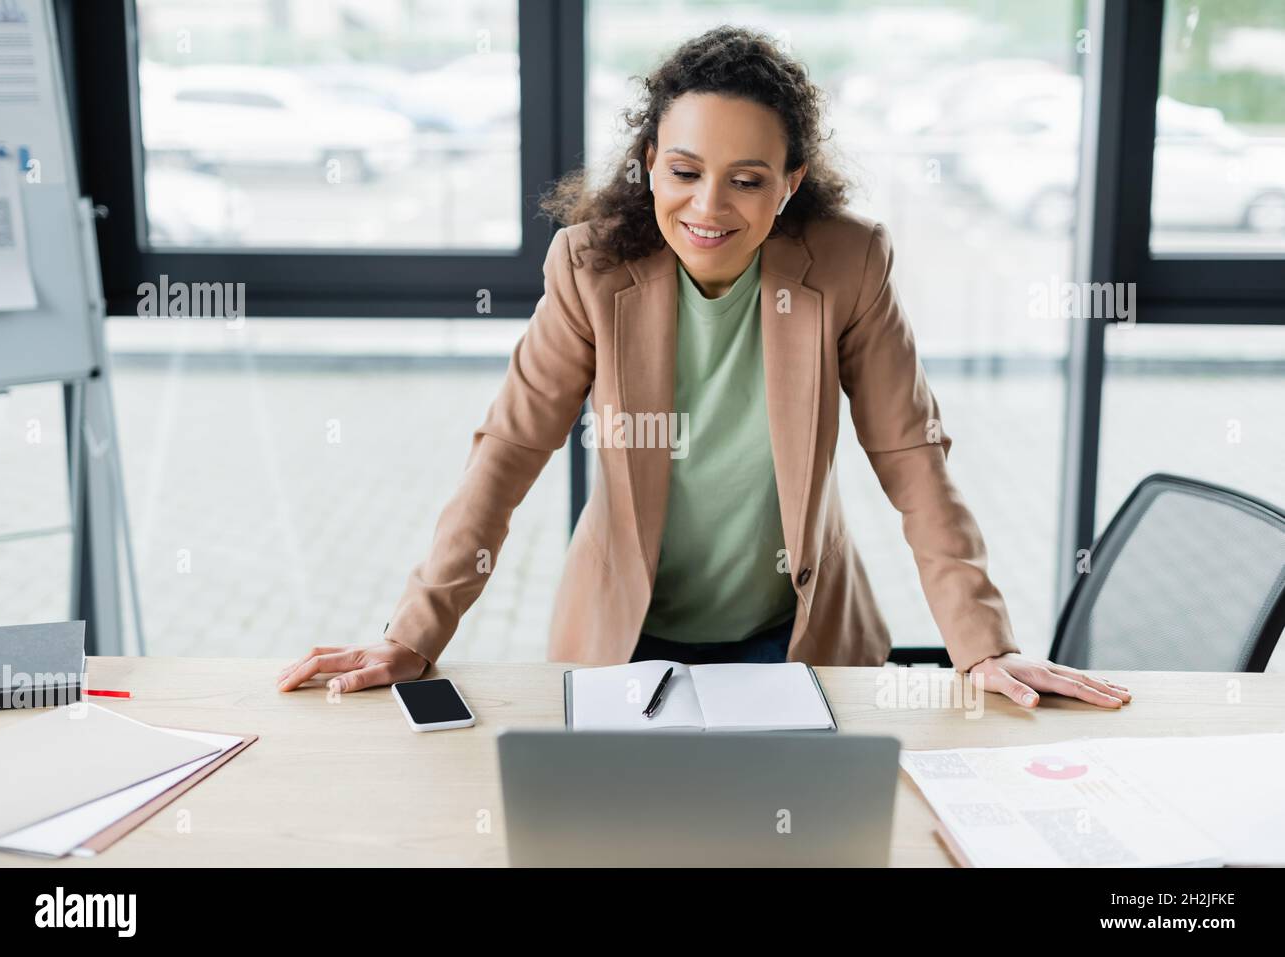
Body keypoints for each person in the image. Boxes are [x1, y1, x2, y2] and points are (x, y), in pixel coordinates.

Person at [279, 26, 1131, 711]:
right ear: (650, 161)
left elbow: (912, 458)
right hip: (624, 640)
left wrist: (986, 644)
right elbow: (508, 452)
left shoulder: (847, 264)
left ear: (791, 183)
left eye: (748, 180)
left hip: (796, 639)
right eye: (685, 171)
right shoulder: (590, 268)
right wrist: (414, 633)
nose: (709, 207)